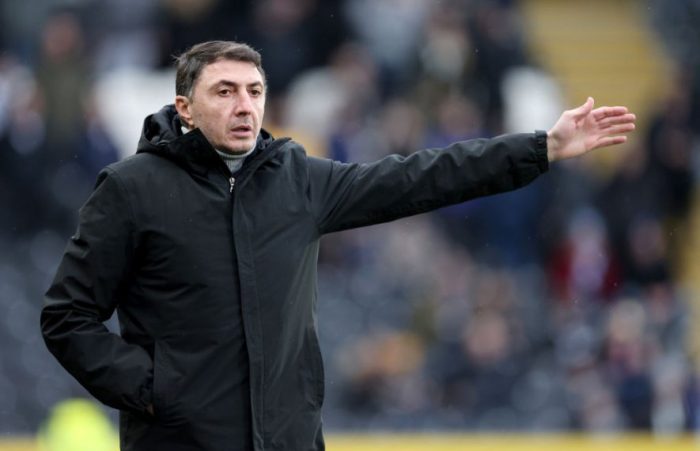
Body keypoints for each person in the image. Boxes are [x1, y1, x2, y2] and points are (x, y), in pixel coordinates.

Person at [40, 40, 636, 451]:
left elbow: (419, 177)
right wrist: (155, 390)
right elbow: (67, 317)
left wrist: (541, 148)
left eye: (254, 91)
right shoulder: (132, 189)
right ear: (185, 109)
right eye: (224, 91)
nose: (244, 105)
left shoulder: (297, 180)